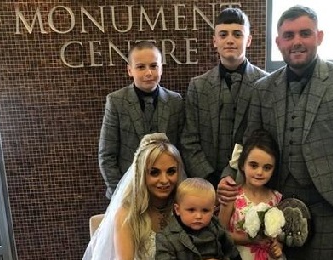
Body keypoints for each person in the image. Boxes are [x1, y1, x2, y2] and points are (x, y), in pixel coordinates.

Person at [218, 5, 333, 260]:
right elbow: (248, 143)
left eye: (305, 33)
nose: (297, 42)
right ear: (279, 42)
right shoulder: (263, 89)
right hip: (275, 208)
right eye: (289, 35)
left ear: (319, 36)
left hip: (331, 210)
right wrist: (230, 177)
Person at [180, 7, 269, 188]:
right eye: (223, 35)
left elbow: (264, 138)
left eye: (237, 34)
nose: (230, 40)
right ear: (215, 41)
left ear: (249, 40)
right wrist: (210, 179)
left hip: (251, 183)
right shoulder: (198, 86)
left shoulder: (266, 83)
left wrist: (235, 175)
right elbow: (189, 140)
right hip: (206, 185)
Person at [99, 41, 184, 199]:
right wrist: (121, 193)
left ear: (161, 67)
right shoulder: (116, 101)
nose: (148, 73)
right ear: (130, 70)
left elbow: (181, 149)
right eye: (140, 67)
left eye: (153, 66)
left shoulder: (175, 101)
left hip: (168, 190)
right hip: (128, 191)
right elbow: (107, 155)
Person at [83, 133, 185, 260]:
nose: (164, 180)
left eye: (171, 171)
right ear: (141, 175)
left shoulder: (184, 206)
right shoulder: (126, 214)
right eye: (154, 172)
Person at [218, 129, 284, 260]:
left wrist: (278, 247)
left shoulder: (276, 198)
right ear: (242, 165)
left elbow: (279, 236)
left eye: (267, 167)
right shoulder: (232, 195)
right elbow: (221, 234)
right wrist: (249, 239)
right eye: (253, 165)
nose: (259, 172)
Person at [156, 177, 242, 260]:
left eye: (205, 210)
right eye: (191, 210)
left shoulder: (217, 228)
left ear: (213, 210)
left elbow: (233, 254)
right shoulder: (166, 238)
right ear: (177, 209)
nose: (198, 216)